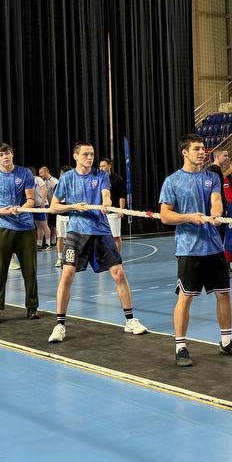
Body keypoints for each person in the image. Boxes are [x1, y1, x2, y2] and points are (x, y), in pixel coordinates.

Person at [157, 133, 232, 367]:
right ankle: (180, 347)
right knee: (186, 297)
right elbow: (165, 215)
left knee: (224, 293)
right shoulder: (172, 181)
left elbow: (216, 200)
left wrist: (216, 212)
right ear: (185, 152)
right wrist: (189, 217)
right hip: (189, 248)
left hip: (214, 247)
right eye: (196, 149)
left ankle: (226, 341)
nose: (202, 152)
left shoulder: (212, 177)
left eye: (203, 148)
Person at [50, 141, 147, 341]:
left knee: (119, 273)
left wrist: (106, 203)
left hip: (101, 230)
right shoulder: (67, 178)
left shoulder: (101, 175)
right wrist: (74, 207)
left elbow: (106, 195)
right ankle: (59, 325)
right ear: (76, 156)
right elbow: (54, 207)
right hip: (76, 232)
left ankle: (130, 321)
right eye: (85, 154)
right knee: (67, 274)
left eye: (92, 154)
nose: (90, 157)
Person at [0, 142, 39, 324]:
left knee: (30, 270)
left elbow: (30, 199)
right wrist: (1, 211)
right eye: (1, 155)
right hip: (2, 227)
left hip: (26, 228)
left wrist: (19, 209)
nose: (5, 157)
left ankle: (32, 307)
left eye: (7, 153)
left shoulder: (25, 173)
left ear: (12, 154)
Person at [99, 158, 128, 251]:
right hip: (101, 212)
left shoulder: (117, 179)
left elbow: (122, 196)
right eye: (100, 166)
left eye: (103, 166)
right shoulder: (98, 179)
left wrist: (121, 210)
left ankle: (117, 256)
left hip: (114, 211)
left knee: (115, 236)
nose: (101, 168)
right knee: (102, 236)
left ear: (109, 166)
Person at [34, 166, 58, 250]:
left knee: (48, 224)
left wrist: (43, 201)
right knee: (39, 225)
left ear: (46, 171)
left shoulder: (54, 181)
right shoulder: (43, 180)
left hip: (49, 205)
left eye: (41, 173)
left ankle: (49, 243)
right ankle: (40, 243)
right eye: (39, 173)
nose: (40, 175)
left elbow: (46, 190)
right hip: (38, 206)